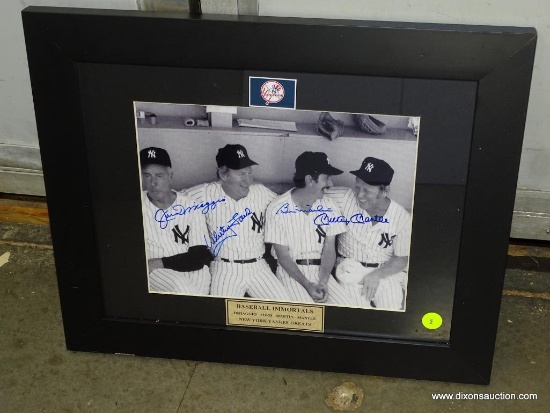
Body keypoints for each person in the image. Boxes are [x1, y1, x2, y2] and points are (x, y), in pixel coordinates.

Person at [185, 144, 291, 301]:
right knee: (222, 316)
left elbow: (286, 204)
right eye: (241, 174)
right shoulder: (204, 194)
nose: (248, 180)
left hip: (259, 267)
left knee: (285, 309)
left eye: (250, 173)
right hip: (225, 268)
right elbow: (171, 201)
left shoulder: (260, 192)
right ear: (223, 174)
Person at [264, 152, 353, 305]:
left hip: (321, 272)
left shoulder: (329, 205)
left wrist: (323, 281)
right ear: (309, 180)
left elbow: (329, 249)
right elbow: (283, 256)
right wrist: (307, 284)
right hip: (291, 274)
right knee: (309, 315)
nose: (331, 184)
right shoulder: (277, 207)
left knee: (346, 310)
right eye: (326, 178)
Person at [325, 157, 411, 310]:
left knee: (391, 313)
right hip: (349, 269)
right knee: (357, 316)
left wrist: (377, 275)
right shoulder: (345, 197)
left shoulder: (401, 217)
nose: (359, 195)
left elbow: (401, 259)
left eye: (367, 190)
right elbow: (309, 191)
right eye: (358, 187)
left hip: (384, 272)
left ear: (384, 191)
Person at [140, 147, 212, 295]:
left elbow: (199, 256)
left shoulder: (190, 205)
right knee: (182, 289)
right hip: (155, 271)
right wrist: (155, 264)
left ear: (170, 174)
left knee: (197, 297)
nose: (153, 183)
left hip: (192, 268)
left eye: (159, 175)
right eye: (147, 176)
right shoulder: (135, 204)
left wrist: (160, 262)